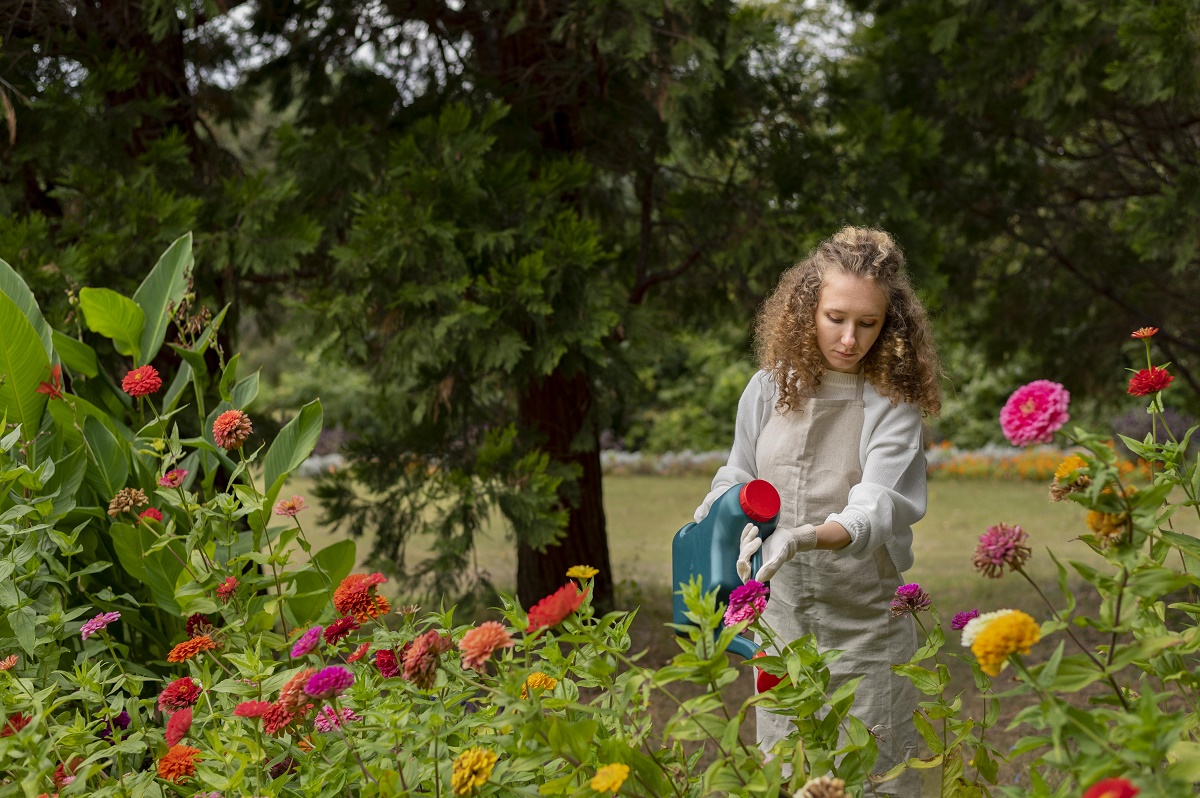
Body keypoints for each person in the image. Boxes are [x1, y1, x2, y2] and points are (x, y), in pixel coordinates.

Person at [693, 226, 942, 796]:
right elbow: (738, 472)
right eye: (836, 317)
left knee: (878, 779)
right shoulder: (767, 387)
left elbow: (874, 507)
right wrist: (718, 510)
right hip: (780, 627)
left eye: (868, 323)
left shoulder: (893, 405)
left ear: (890, 323)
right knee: (791, 776)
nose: (850, 339)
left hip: (866, 628)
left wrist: (801, 536)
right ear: (806, 307)